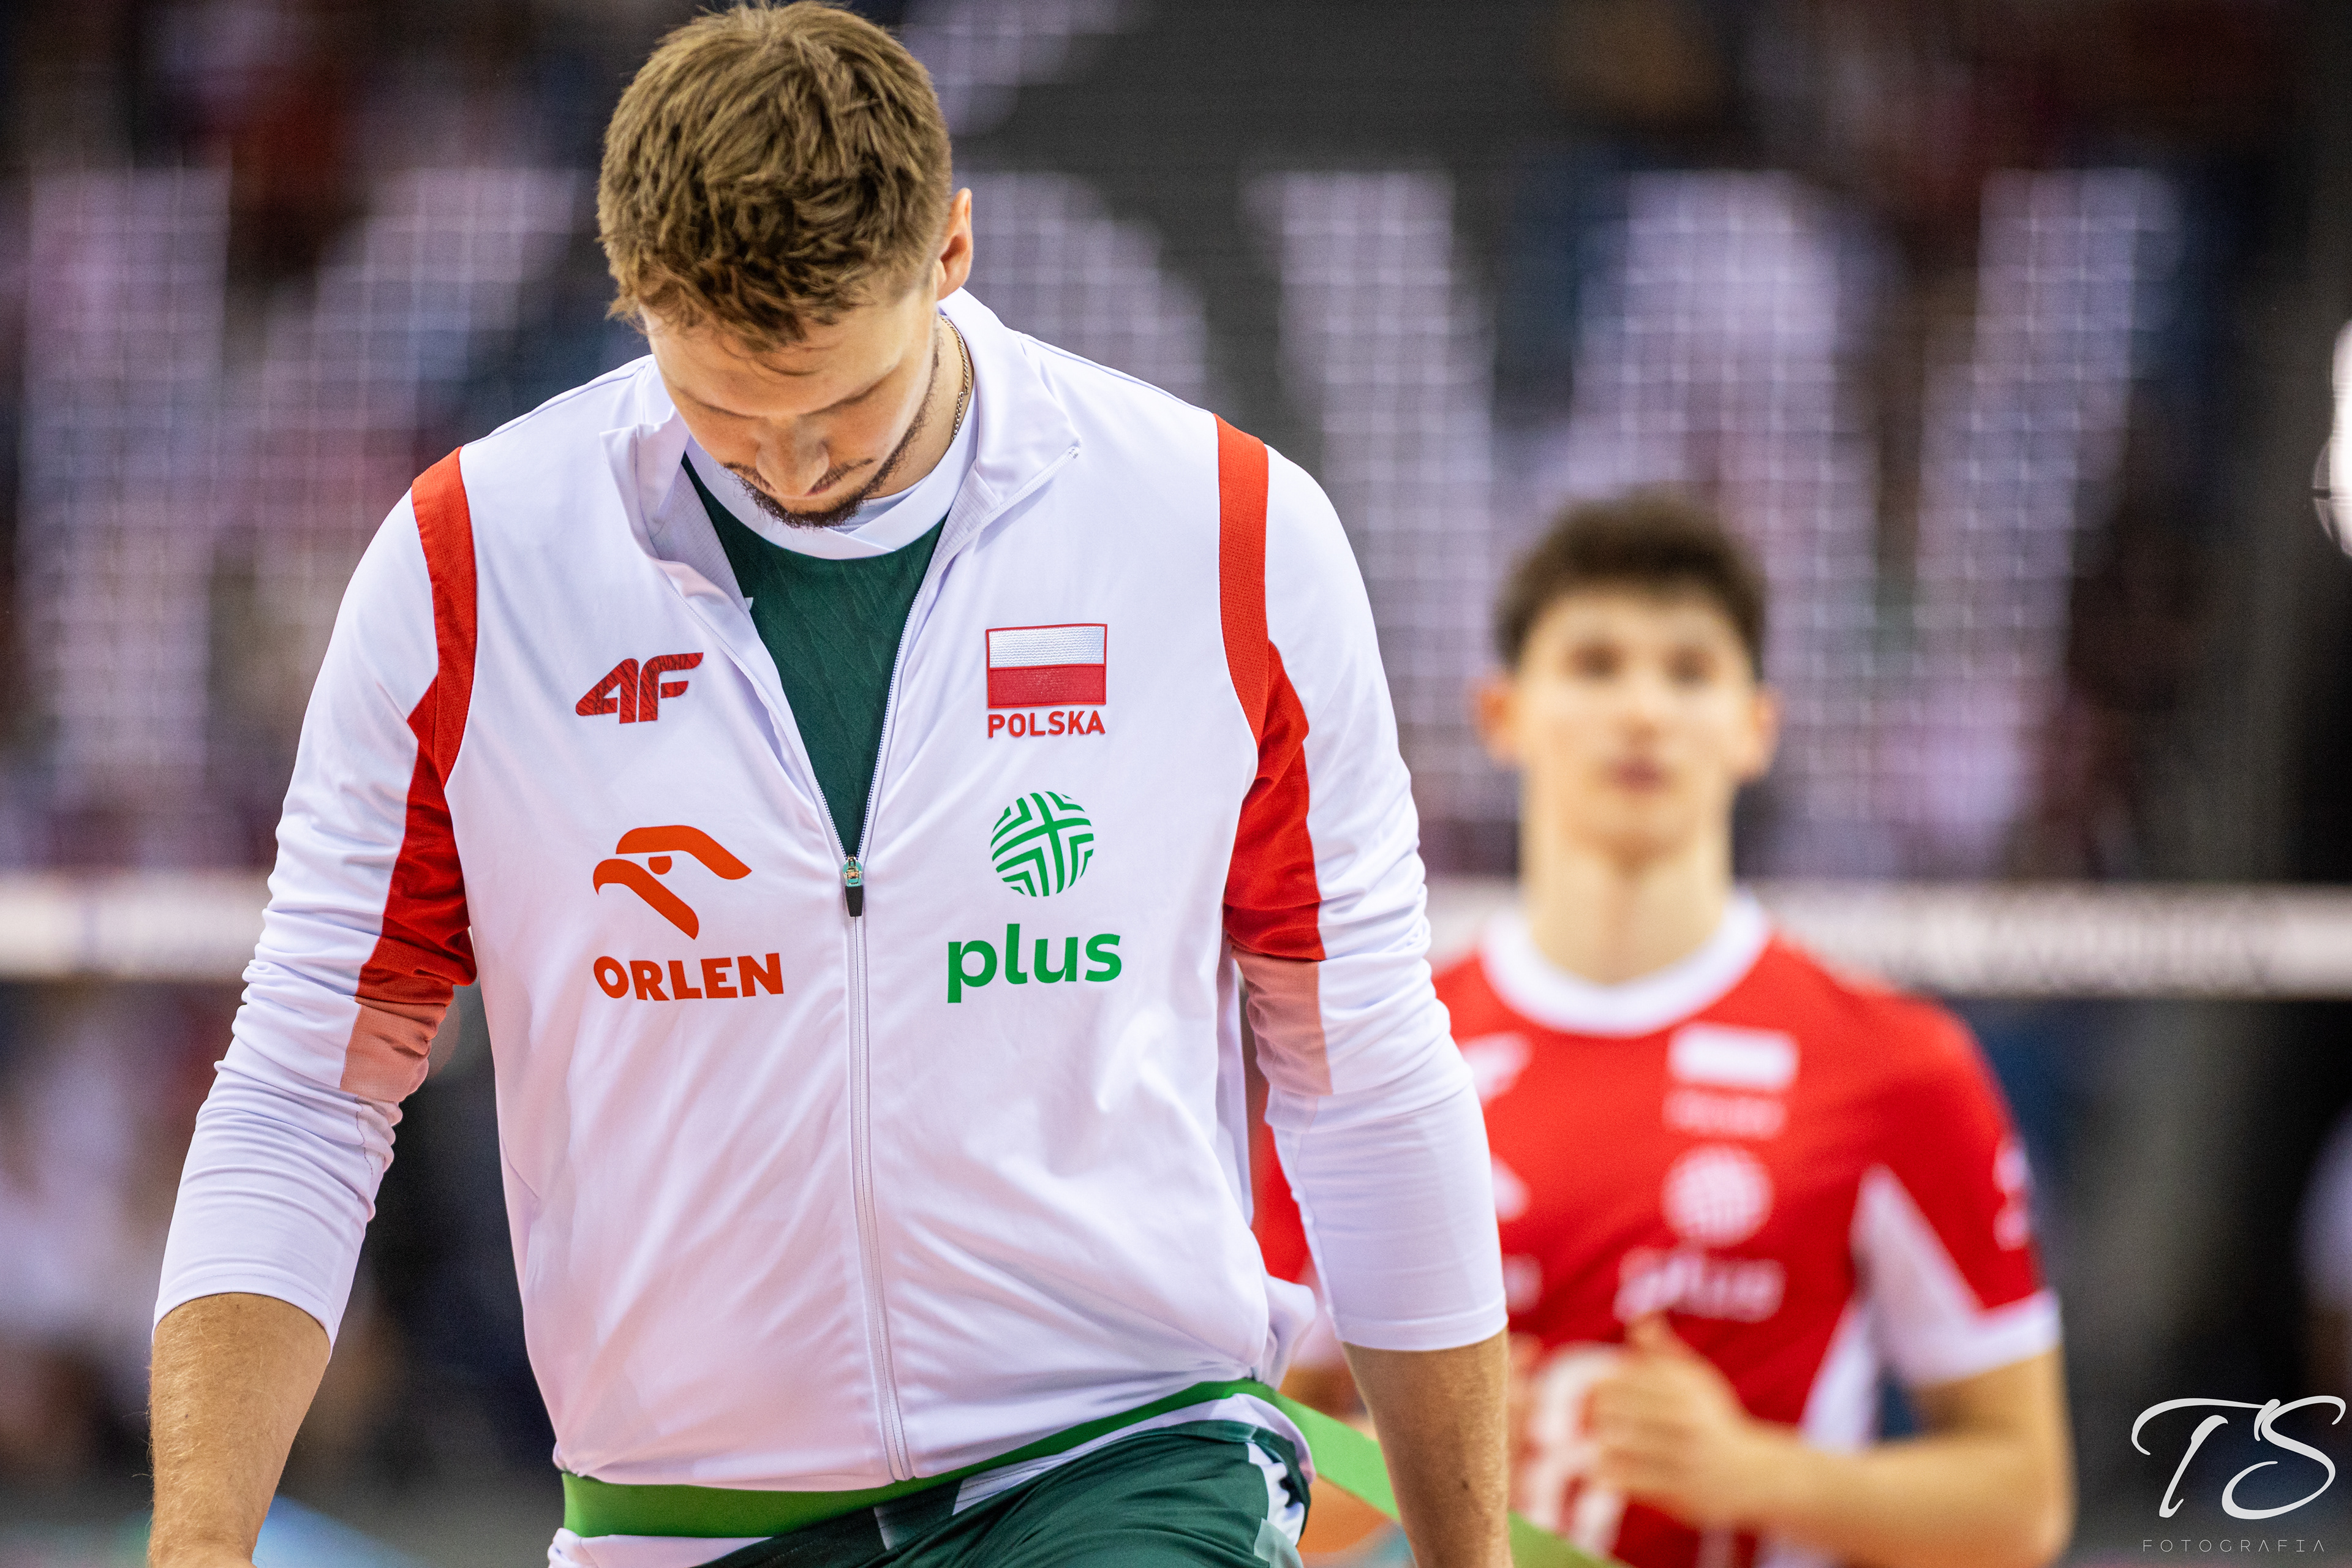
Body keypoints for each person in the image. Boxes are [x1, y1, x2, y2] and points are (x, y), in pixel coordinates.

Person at [144, 7, 1512, 1567]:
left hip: (1123, 1451)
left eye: (841, 405)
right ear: (632, 295)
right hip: (681, 1511)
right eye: (728, 410)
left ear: (952, 251)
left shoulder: (1226, 528)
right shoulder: (470, 569)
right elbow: (307, 1090)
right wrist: (197, 1546)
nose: (792, 466)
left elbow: (1362, 1069)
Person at [1257, 492, 2075, 1568]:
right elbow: (1250, 1466)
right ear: (1502, 713)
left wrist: (1755, 1475)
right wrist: (1428, 1447)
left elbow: (2023, 1505)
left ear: (1755, 726)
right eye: (1595, 665)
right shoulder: (1367, 1054)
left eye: (1689, 672)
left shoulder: (1894, 1068)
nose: (1643, 710)